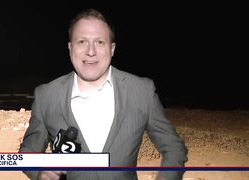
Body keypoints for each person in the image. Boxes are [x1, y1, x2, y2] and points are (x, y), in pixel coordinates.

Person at [19, 8, 188, 180]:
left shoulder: (141, 91)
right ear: (70, 48)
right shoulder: (47, 95)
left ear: (112, 48)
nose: (91, 51)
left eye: (100, 42)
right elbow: (27, 152)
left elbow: (174, 148)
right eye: (82, 42)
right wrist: (39, 173)